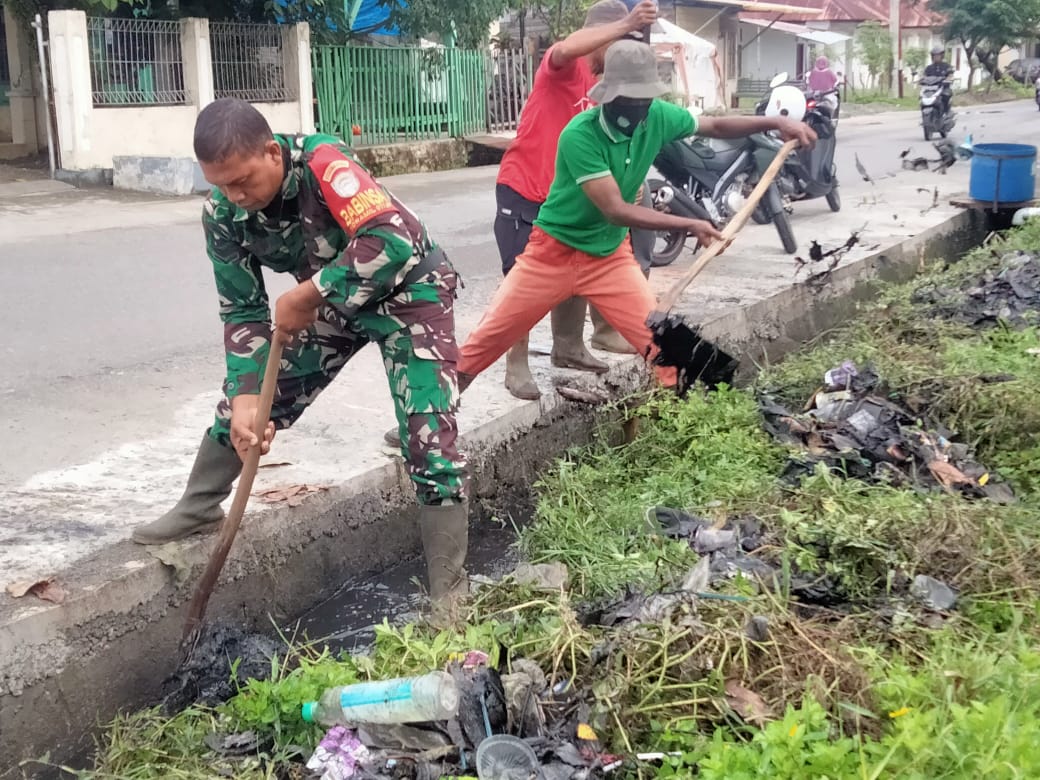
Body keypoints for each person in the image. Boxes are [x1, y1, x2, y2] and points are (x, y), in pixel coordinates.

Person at [131, 99, 469, 612]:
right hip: (333, 308)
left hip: (410, 297)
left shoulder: (324, 164)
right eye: (221, 184)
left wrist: (306, 295)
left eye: (244, 180)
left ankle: (450, 596)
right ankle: (199, 506)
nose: (235, 195)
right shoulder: (223, 214)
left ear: (272, 152)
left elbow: (391, 240)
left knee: (428, 440)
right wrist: (246, 394)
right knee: (244, 411)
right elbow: (241, 310)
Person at [455, 40, 816, 393]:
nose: (635, 108)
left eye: (643, 100)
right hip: (552, 254)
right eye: (627, 100)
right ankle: (424, 425)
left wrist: (774, 124)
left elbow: (715, 127)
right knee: (482, 345)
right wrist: (689, 223)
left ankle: (699, 416)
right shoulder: (580, 135)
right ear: (607, 94)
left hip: (609, 259)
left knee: (670, 351)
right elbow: (614, 209)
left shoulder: (657, 116)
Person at [493, 0, 659, 401]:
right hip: (527, 188)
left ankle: (568, 347)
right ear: (601, 37)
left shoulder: (613, 84)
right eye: (619, 41)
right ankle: (515, 363)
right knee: (524, 280)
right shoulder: (566, 66)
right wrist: (626, 22)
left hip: (571, 194)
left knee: (578, 263)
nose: (625, 51)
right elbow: (566, 48)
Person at [924, 45, 955, 115]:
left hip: (943, 88)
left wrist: (948, 79)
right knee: (922, 96)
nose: (936, 57)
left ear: (942, 56)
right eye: (934, 56)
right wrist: (920, 81)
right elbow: (924, 77)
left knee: (946, 95)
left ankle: (946, 113)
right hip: (931, 89)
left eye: (938, 55)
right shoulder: (929, 68)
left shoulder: (946, 66)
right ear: (932, 57)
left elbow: (950, 75)